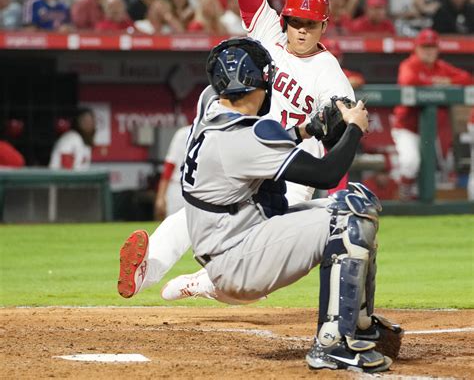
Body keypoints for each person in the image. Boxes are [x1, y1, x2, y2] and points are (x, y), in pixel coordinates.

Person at [116, 0, 358, 303]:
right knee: (199, 214)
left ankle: (205, 282)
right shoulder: (269, 32)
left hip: (290, 167)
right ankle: (145, 270)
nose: (299, 29)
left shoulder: (330, 76)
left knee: (260, 266)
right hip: (240, 147)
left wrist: (337, 195)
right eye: (294, 20)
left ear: (323, 26)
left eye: (309, 23)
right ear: (285, 20)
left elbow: (336, 141)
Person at [119, 37, 401, 373]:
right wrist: (354, 128)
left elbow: (259, 146)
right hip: (238, 262)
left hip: (239, 240)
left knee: (357, 204)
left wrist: (308, 129)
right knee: (349, 213)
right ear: (257, 84)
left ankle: (360, 325)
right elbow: (327, 173)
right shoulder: (240, 138)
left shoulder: (210, 105)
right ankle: (333, 345)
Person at [391, 29, 473, 201]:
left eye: (432, 47)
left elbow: (467, 78)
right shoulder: (410, 64)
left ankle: (430, 199)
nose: (429, 51)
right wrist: (434, 82)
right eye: (425, 47)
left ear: (437, 49)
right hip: (408, 128)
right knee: (410, 163)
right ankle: (404, 197)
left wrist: (448, 81)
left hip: (433, 130)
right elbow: (408, 81)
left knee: (445, 166)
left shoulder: (441, 67)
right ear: (417, 48)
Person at [154, 125, 191, 221]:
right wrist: (161, 196)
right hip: (178, 188)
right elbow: (169, 166)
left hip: (194, 189)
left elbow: (169, 166)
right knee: (174, 227)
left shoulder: (213, 132)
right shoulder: (183, 133)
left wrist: (160, 196)